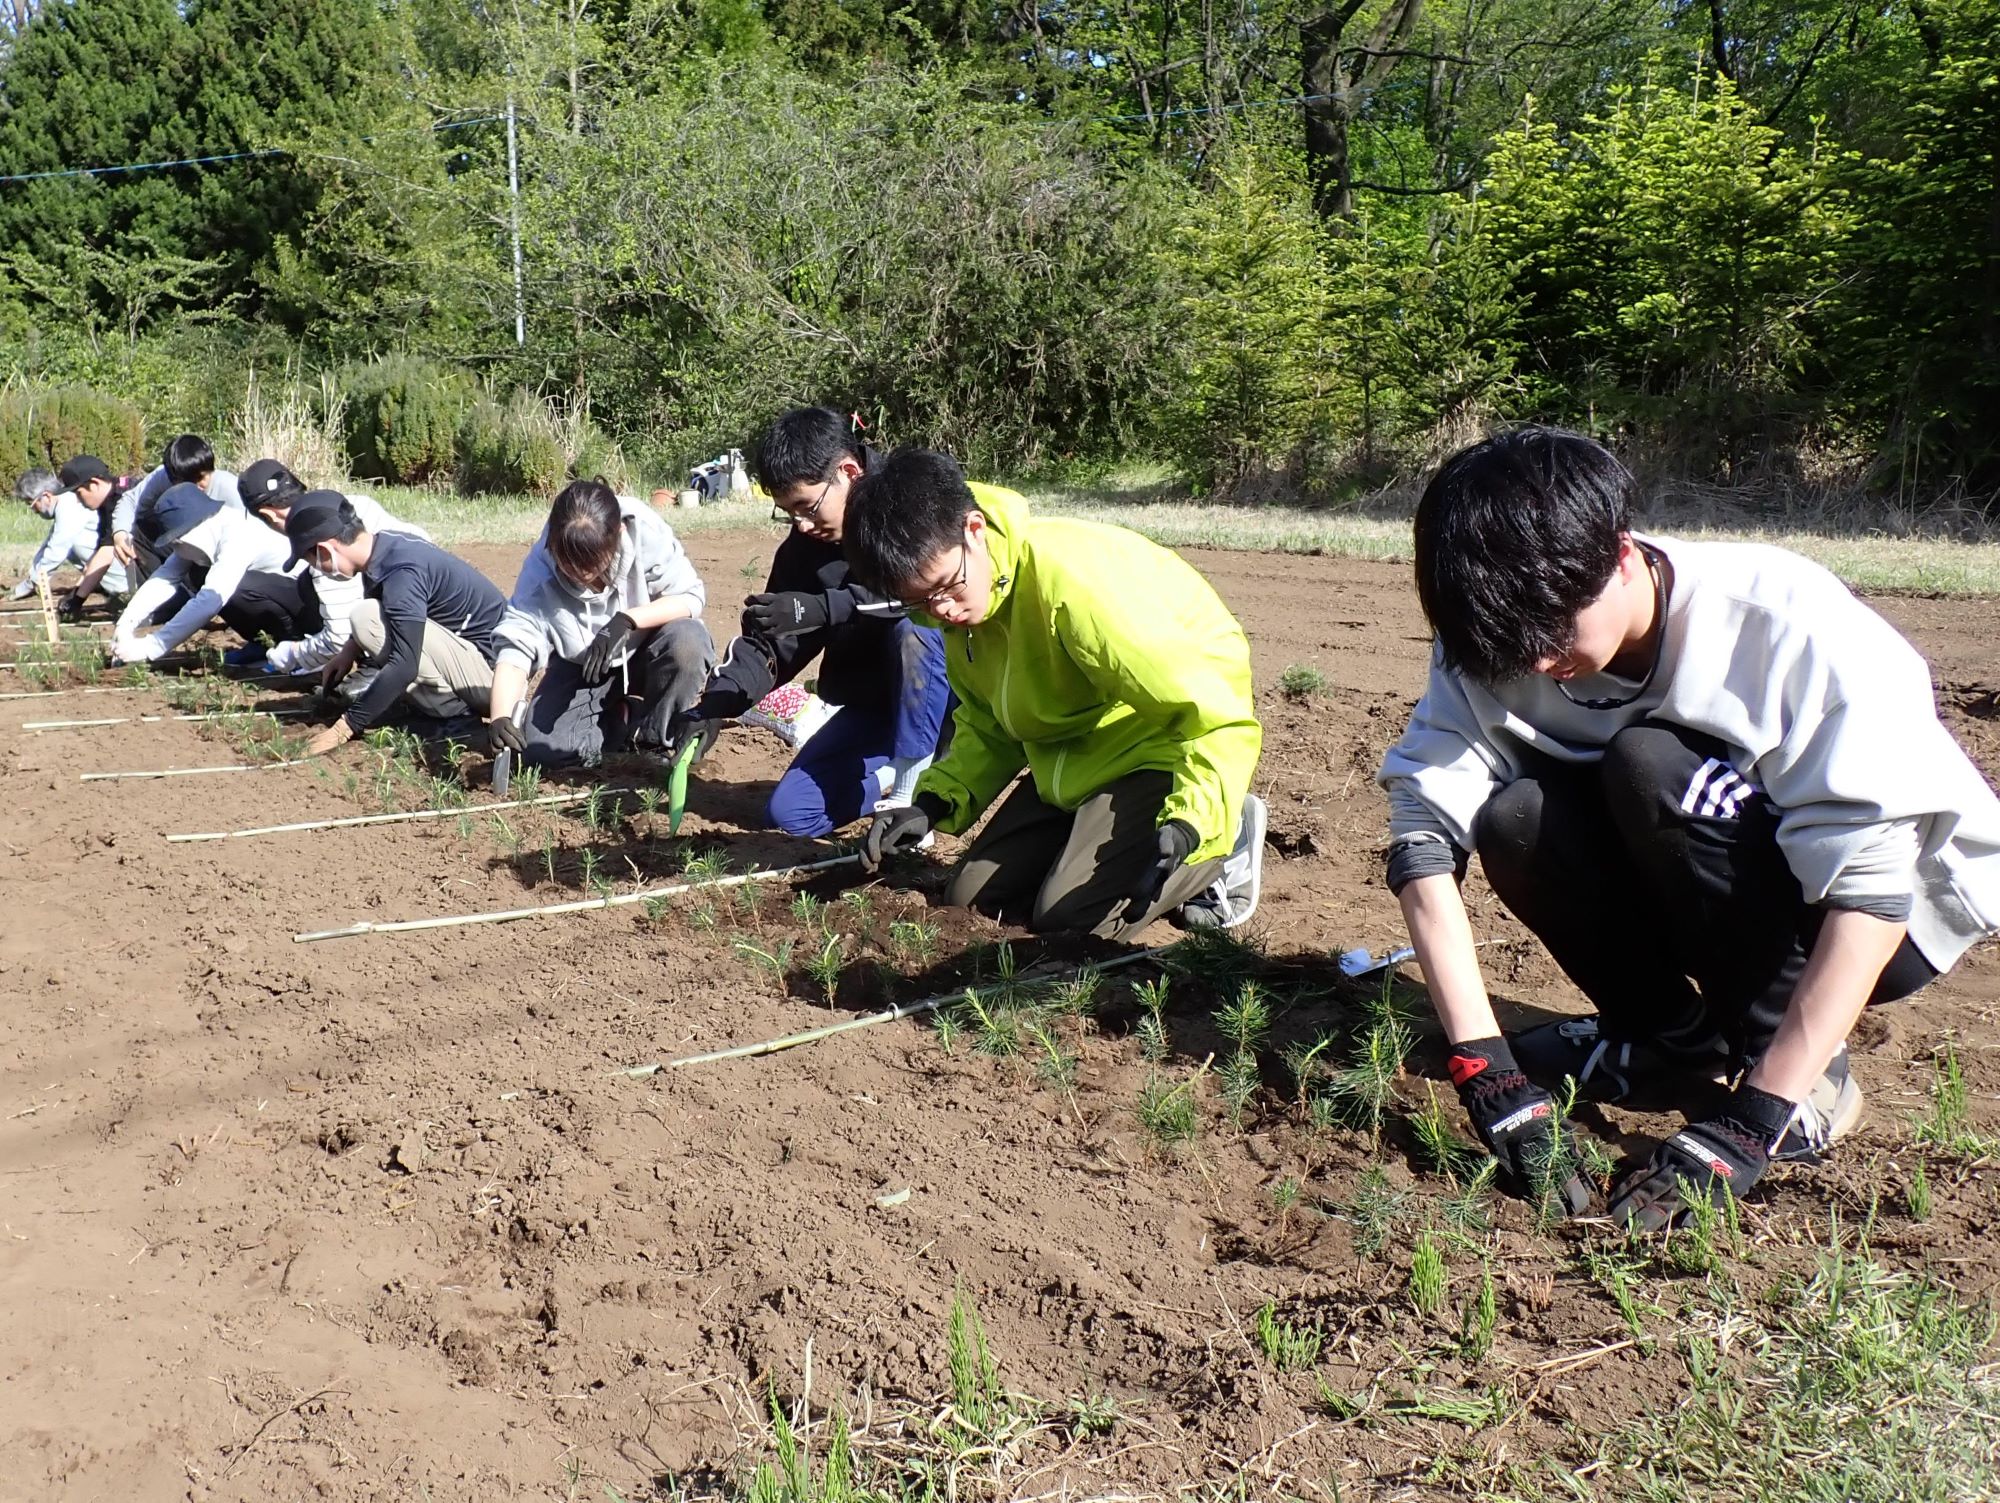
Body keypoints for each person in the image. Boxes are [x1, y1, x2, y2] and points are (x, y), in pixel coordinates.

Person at [1377, 427, 2000, 1231]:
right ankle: (1669, 1042)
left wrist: (1753, 1121)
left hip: (1888, 916)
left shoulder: (1785, 626)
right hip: (1719, 858)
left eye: (1554, 629)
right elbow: (1423, 829)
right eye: (1509, 641)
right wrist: (1485, 1072)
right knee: (1519, 815)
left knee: (1652, 767)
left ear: (1623, 554)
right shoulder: (1505, 623)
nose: (1532, 664)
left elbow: (1873, 893)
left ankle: (1806, 1075)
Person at [844, 448, 1267, 940]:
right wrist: (933, 803)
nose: (942, 611)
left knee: (1074, 922)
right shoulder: (963, 603)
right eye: (919, 600)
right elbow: (988, 720)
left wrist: (1194, 821)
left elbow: (1213, 716)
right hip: (1065, 758)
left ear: (974, 530)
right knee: (972, 899)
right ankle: (1085, 843)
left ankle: (1227, 838)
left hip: (1154, 747)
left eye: (947, 587)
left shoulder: (1078, 589)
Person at [672, 407, 953, 837]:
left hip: (954, 701)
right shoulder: (804, 549)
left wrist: (826, 607)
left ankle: (909, 793)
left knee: (915, 630)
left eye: (806, 507)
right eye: (787, 513)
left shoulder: (913, 502)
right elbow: (769, 643)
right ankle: (902, 772)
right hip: (877, 709)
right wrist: (714, 705)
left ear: (849, 471)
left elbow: (926, 593)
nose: (801, 524)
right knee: (791, 815)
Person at [486, 477, 711, 768]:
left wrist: (629, 620)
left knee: (688, 642)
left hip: (650, 649)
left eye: (592, 565)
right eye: (568, 564)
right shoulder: (540, 570)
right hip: (586, 666)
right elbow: (517, 645)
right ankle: (625, 719)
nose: (580, 574)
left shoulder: (642, 527)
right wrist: (500, 715)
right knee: (542, 751)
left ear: (618, 533)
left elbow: (690, 596)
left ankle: (657, 739)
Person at [286, 494, 508, 756]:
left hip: (496, 684)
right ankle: (429, 705)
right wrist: (348, 652)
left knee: (367, 618)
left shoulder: (401, 572)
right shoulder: (385, 547)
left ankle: (455, 719)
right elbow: (388, 607)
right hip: (477, 662)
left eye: (311, 561)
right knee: (369, 619)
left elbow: (405, 665)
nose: (319, 570)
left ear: (325, 549)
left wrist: (344, 727)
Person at [237, 458, 431, 675]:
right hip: (429, 599)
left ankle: (373, 668)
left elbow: (338, 637)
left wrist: (293, 654)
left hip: (407, 637)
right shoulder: (357, 502)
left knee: (308, 587)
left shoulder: (323, 553)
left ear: (268, 514)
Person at [109, 481, 318, 665]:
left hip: (308, 602)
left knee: (230, 590)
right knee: (203, 576)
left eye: (175, 542)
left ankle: (295, 647)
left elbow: (210, 601)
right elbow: (165, 577)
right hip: (276, 594)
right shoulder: (204, 532)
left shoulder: (237, 534)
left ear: (188, 532)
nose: (176, 549)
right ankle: (262, 644)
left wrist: (152, 646)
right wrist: (126, 623)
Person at [103, 433, 242, 590]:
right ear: (173, 479)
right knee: (140, 533)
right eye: (189, 483)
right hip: (184, 550)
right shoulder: (162, 477)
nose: (198, 486)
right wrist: (120, 534)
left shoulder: (230, 488)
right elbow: (130, 501)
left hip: (223, 557)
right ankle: (163, 599)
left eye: (202, 478)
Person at [10, 466, 128, 603]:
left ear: (46, 496)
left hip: (119, 567)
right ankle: (100, 584)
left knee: (73, 545)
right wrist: (31, 579)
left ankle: (121, 589)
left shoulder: (68, 505)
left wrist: (33, 582)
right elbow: (48, 544)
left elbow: (56, 550)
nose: (34, 511)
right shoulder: (64, 503)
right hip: (107, 560)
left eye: (31, 504)